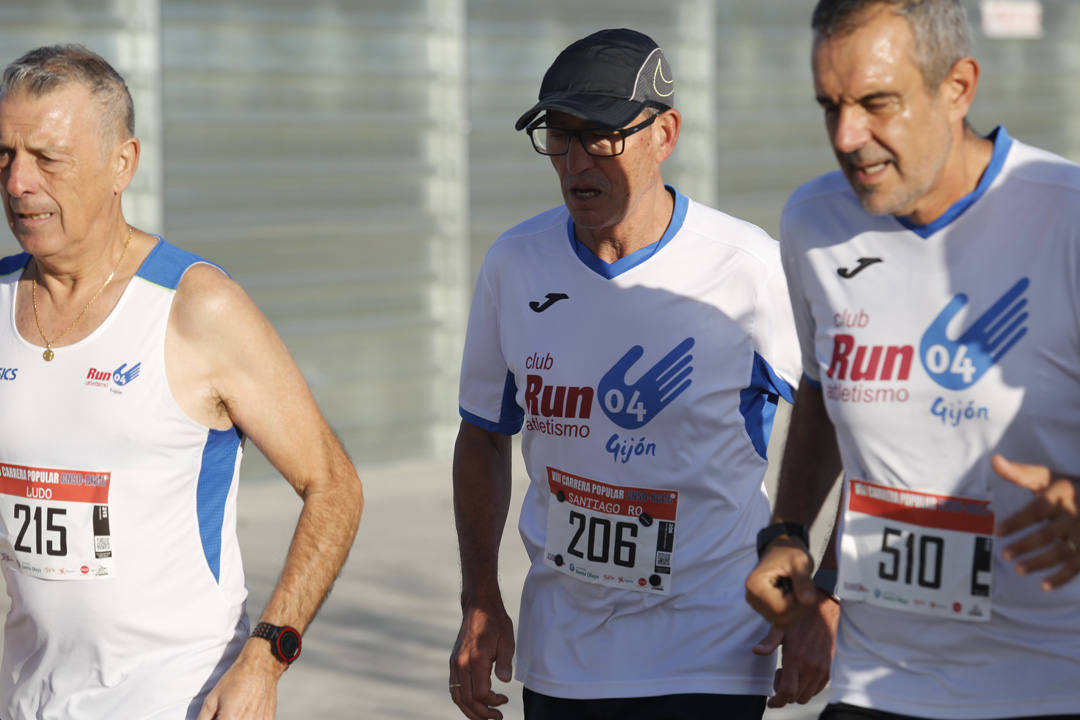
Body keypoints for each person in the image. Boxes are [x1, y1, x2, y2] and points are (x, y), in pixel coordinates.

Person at [449, 27, 812, 720]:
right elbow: (482, 436)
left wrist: (813, 583)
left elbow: (835, 417)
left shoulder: (747, 266)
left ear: (664, 133)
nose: (577, 161)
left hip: (714, 648)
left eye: (602, 136)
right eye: (559, 136)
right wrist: (479, 597)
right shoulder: (514, 263)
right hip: (564, 655)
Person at [0, 45, 364, 719]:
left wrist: (267, 656)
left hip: (180, 698)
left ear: (122, 164)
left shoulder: (197, 307)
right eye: (5, 155)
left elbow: (333, 486)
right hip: (30, 698)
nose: (19, 181)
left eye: (48, 158)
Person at [745, 1, 1080, 718]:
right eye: (829, 106)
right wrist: (787, 535)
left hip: (1051, 683)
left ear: (957, 87)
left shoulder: (1067, 217)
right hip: (878, 681)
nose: (847, 136)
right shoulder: (813, 224)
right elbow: (822, 384)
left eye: (876, 103)